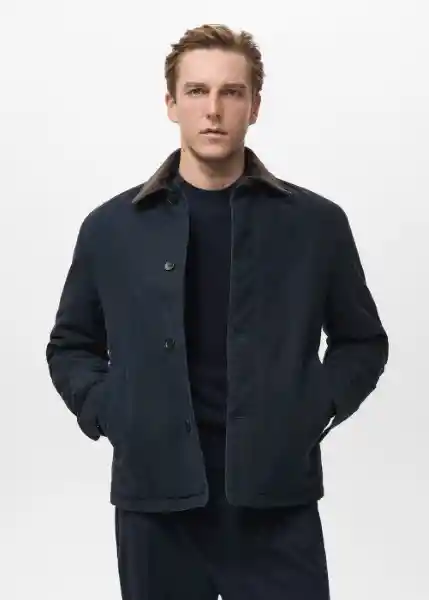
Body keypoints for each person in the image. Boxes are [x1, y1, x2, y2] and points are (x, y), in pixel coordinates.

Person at [46, 23, 389, 600]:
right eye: (197, 91)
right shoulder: (110, 228)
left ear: (254, 106)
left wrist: (312, 408)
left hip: (276, 501)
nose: (213, 110)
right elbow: (71, 345)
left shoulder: (316, 225)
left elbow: (362, 341)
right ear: (171, 104)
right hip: (156, 505)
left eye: (231, 92)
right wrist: (114, 413)